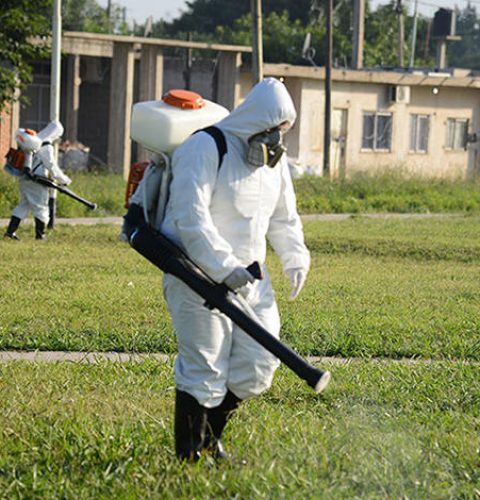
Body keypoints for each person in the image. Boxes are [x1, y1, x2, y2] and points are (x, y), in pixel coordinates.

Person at [160, 77, 311, 461]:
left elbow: (284, 217)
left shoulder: (272, 164)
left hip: (252, 280)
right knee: (205, 367)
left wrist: (296, 257)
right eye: (278, 130)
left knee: (258, 365)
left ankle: (211, 438)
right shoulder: (205, 147)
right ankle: (190, 455)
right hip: (196, 276)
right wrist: (223, 267)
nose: (279, 139)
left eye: (285, 132)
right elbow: (190, 219)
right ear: (259, 121)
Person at [4, 121, 71, 240]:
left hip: (25, 179)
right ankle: (40, 235)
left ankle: (10, 232)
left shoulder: (32, 141)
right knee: (41, 207)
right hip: (36, 181)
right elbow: (51, 166)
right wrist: (63, 179)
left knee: (24, 205)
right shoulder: (46, 146)